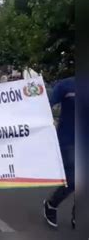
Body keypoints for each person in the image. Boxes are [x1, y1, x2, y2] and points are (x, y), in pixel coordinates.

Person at [43, 76, 75, 229]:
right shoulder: (66, 85)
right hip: (69, 140)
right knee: (74, 181)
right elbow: (43, 104)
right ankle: (52, 204)